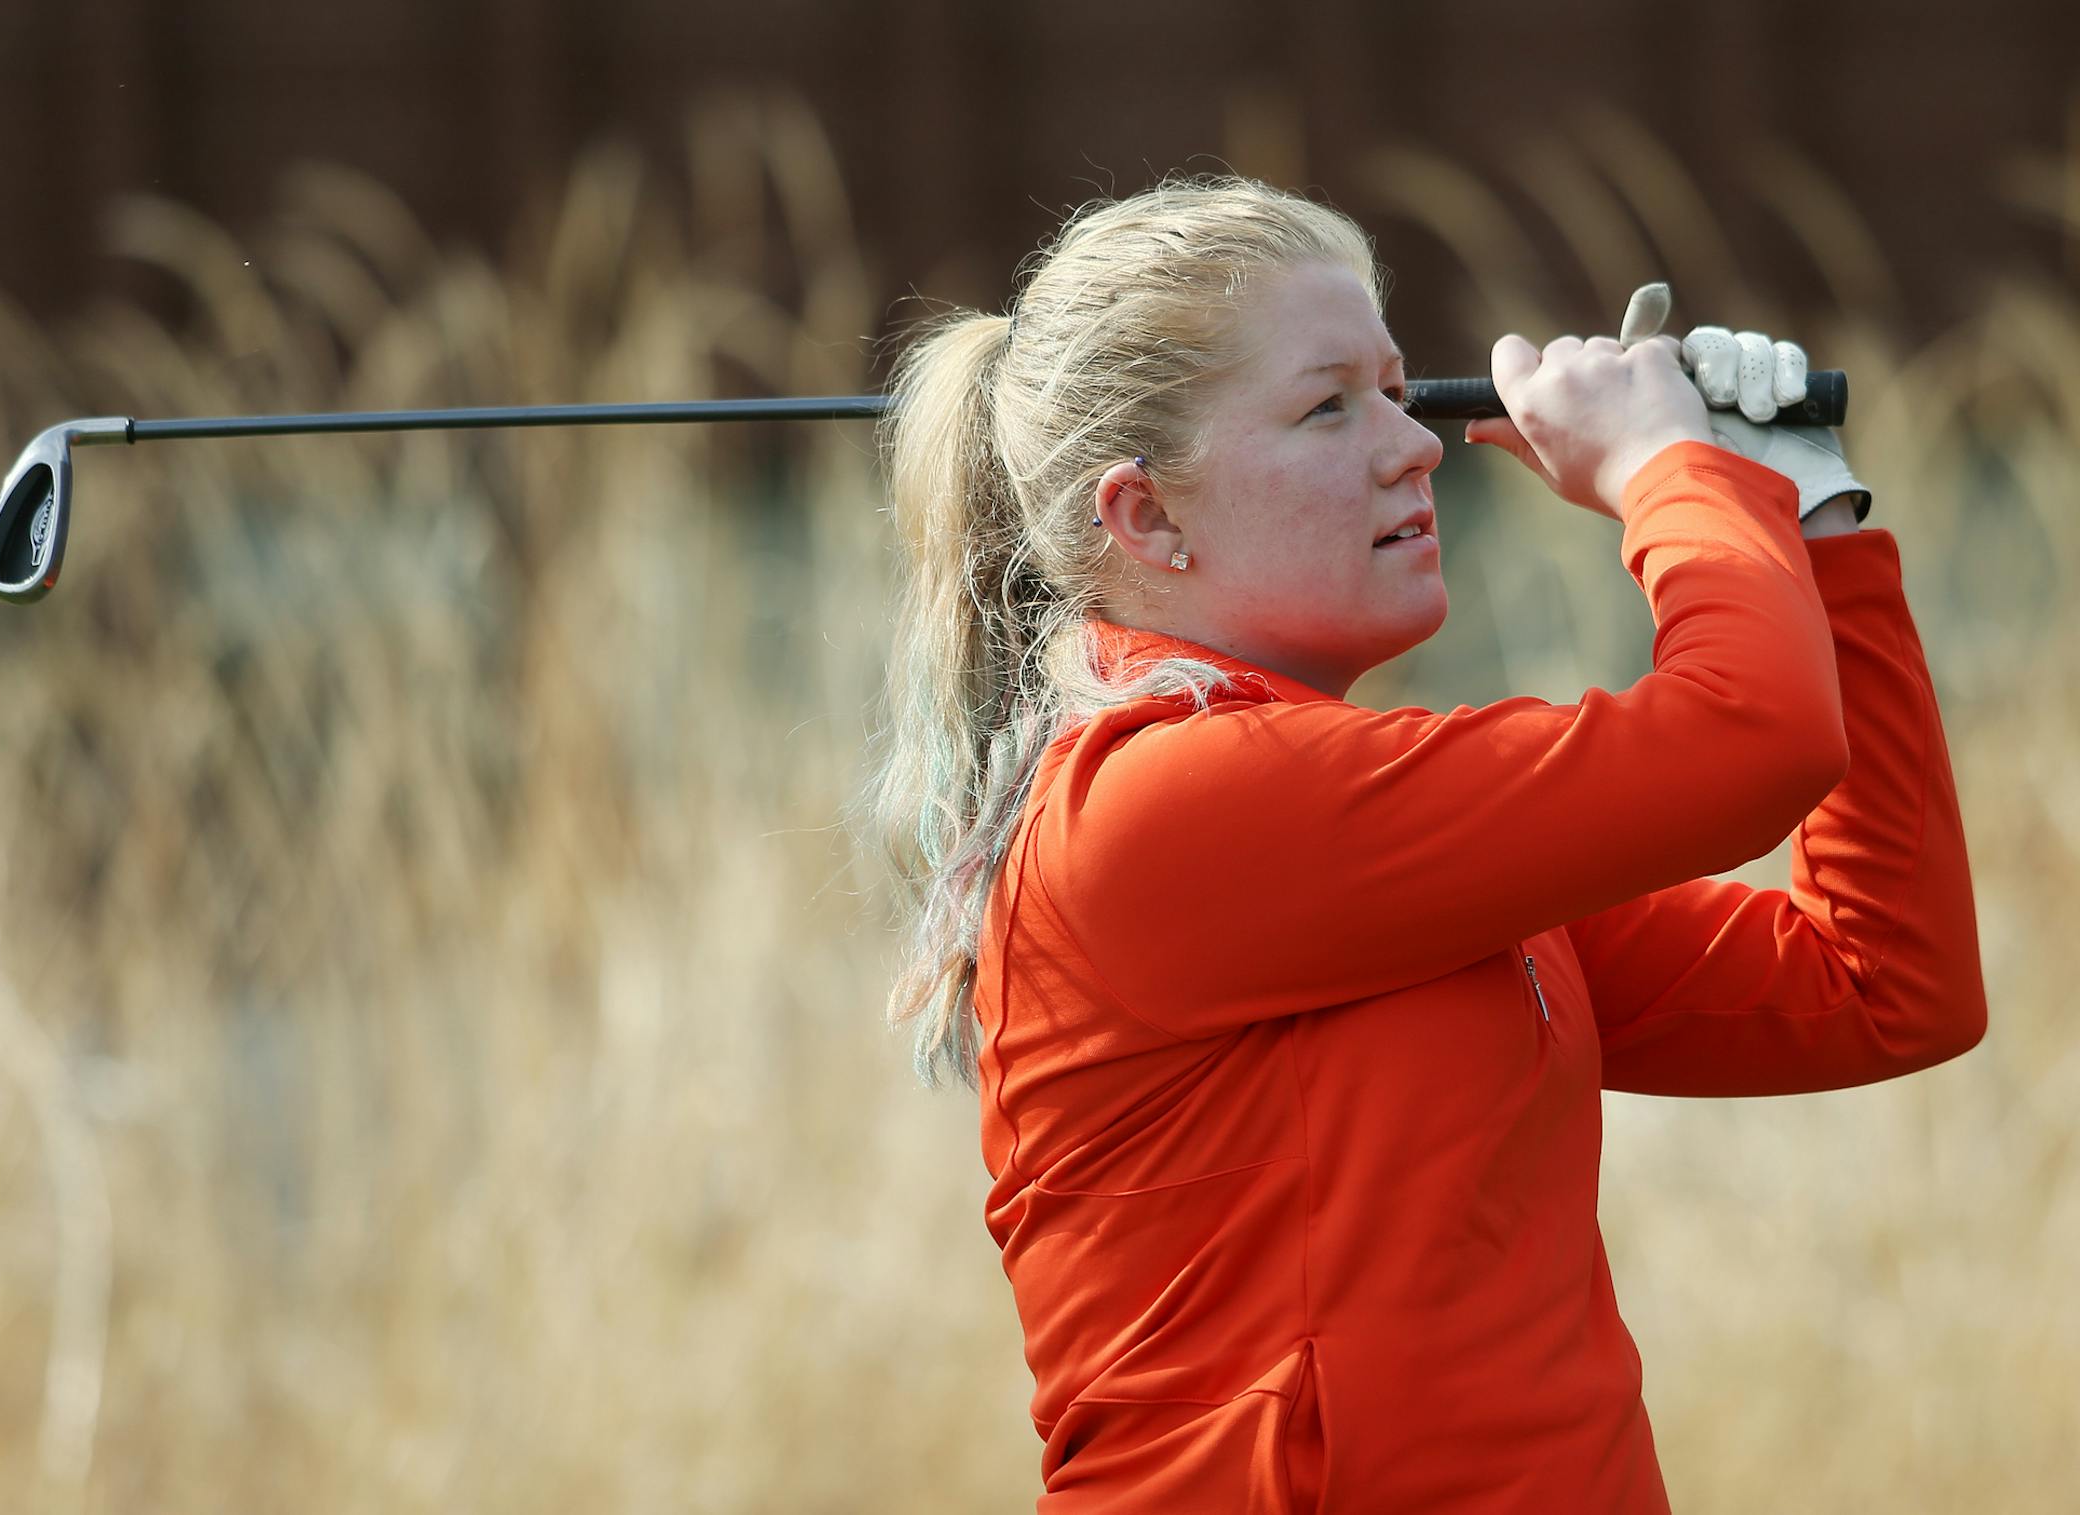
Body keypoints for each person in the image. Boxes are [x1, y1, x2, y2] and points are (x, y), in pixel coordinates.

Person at [851, 175, 1986, 1513]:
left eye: (1398, 390)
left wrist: (1812, 517)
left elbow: (1878, 986)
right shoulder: (1172, 808)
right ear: (1144, 517)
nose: (1414, 446)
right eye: (1329, 406)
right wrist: (1671, 472)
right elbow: (1754, 735)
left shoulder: (1358, 827)